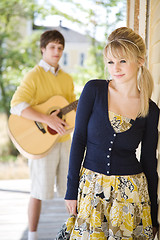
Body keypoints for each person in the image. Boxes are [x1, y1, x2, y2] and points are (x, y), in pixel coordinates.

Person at [64, 27, 159, 239]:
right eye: (110, 62)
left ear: (140, 61)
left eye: (123, 61)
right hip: (91, 190)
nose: (115, 68)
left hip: (131, 197)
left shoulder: (150, 110)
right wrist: (71, 192)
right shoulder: (93, 91)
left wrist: (153, 215)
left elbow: (149, 162)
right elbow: (78, 140)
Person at [10, 30, 76, 240]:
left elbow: (71, 108)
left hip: (64, 140)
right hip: (40, 142)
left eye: (60, 48)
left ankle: (72, 232)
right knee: (38, 190)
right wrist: (47, 119)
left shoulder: (67, 78)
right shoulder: (34, 75)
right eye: (52, 47)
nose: (57, 51)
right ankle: (33, 235)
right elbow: (17, 105)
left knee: (71, 190)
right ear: (43, 49)